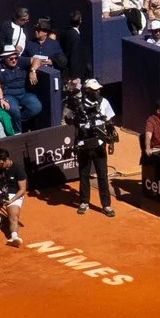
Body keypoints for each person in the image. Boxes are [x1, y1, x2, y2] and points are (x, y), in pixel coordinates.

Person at [68, 78, 116, 216]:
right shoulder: (78, 104)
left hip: (100, 144)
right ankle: (84, 202)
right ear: (87, 90)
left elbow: (109, 123)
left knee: (102, 175)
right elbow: (68, 119)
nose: (98, 91)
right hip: (84, 144)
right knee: (84, 174)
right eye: (95, 90)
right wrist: (75, 118)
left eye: (99, 89)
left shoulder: (104, 102)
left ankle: (106, 205)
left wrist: (111, 142)